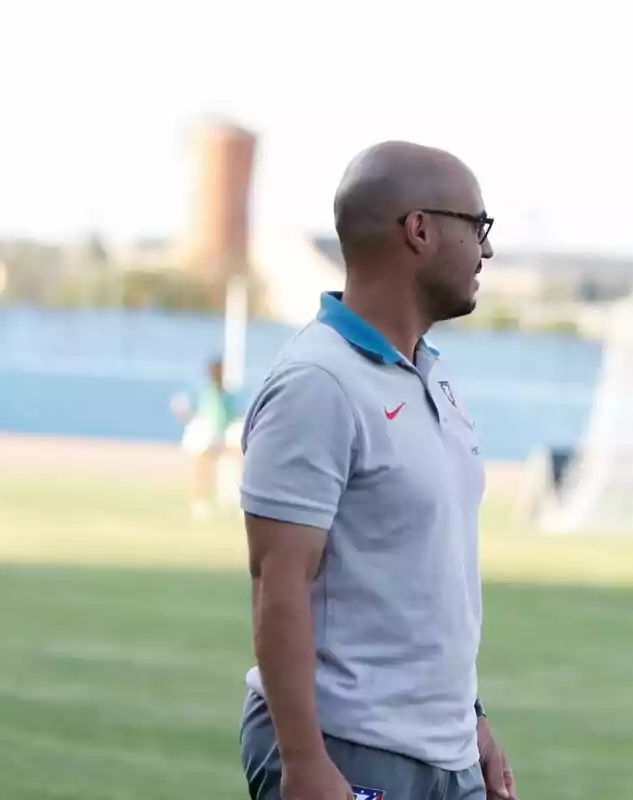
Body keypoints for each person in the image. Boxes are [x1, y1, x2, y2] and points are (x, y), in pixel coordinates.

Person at [237, 141, 515, 800]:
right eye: (478, 226)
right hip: (350, 747)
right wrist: (303, 762)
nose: (488, 250)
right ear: (419, 229)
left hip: (444, 753)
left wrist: (472, 724)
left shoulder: (435, 377)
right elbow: (279, 582)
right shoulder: (319, 383)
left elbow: (428, 582)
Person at [172, 357, 238, 520]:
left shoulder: (225, 393)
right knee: (203, 467)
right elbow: (185, 407)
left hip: (220, 433)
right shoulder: (203, 391)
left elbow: (228, 414)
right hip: (203, 434)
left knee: (236, 458)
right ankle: (200, 502)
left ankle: (230, 496)